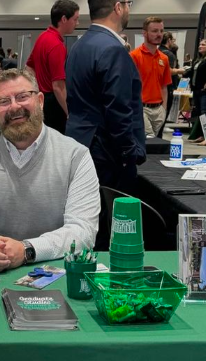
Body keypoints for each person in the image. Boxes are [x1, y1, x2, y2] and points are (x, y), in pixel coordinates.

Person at [0, 69, 99, 271]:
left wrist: (27, 249)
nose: (14, 107)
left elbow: (83, 230)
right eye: (3, 101)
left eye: (22, 97)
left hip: (52, 272)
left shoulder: (76, 156)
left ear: (40, 100)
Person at [66, 0, 145, 222]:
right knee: (111, 222)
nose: (129, 8)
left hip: (81, 142)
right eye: (129, 3)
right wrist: (130, 151)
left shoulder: (79, 46)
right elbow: (118, 109)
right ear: (118, 7)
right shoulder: (112, 49)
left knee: (87, 218)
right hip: (107, 152)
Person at [26, 0, 80, 135]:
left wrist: (36, 90)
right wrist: (70, 113)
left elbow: (29, 68)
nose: (77, 23)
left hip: (43, 101)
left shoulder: (42, 37)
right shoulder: (56, 45)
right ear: (63, 19)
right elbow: (57, 86)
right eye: (75, 19)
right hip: (54, 104)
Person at [130, 17, 172, 137]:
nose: (159, 34)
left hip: (159, 110)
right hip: (141, 109)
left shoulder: (164, 58)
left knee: (154, 145)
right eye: (154, 31)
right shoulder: (134, 56)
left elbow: (164, 86)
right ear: (144, 33)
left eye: (161, 31)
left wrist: (163, 110)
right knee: (148, 142)